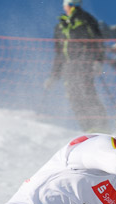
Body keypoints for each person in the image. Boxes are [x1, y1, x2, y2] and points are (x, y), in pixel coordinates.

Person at [45, 0, 108, 132]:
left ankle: (101, 126)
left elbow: (98, 40)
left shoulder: (85, 19)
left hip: (84, 63)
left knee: (87, 93)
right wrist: (54, 76)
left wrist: (98, 60)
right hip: (68, 67)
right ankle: (88, 128)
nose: (67, 7)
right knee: (74, 97)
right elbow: (59, 53)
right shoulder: (60, 26)